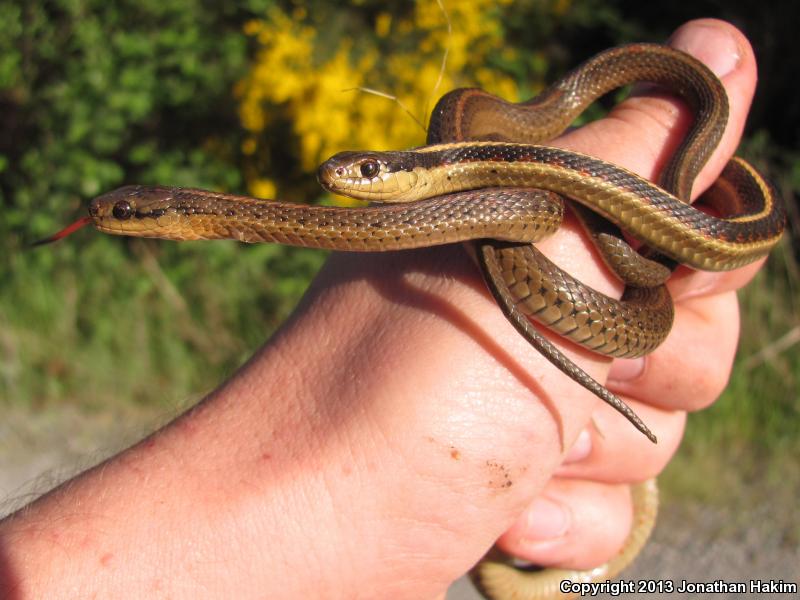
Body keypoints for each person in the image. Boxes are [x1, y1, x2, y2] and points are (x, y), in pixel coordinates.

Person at [0, 18, 766, 600]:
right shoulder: (411, 203)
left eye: (134, 214)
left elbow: (533, 203)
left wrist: (645, 215)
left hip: (598, 195)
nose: (345, 177)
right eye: (134, 215)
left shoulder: (481, 161)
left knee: (634, 274)